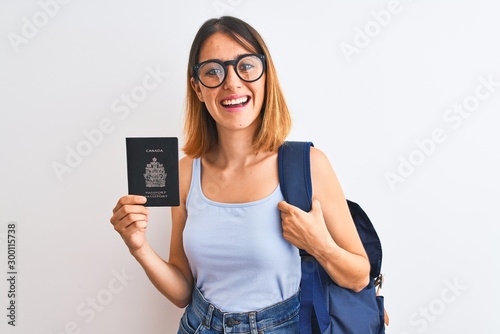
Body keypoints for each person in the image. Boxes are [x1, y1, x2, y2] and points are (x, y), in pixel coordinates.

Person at [110, 16, 370, 334]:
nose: (231, 83)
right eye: (213, 71)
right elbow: (182, 291)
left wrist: (318, 245)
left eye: (245, 66)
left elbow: (359, 276)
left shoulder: (309, 164)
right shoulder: (184, 174)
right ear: (198, 88)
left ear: (265, 75)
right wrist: (139, 246)